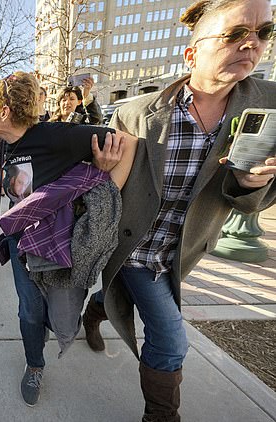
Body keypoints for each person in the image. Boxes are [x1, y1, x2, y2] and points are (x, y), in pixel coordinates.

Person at [80, 1, 276, 420]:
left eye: (263, 33)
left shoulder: (267, 106)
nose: (252, 43)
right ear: (192, 53)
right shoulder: (134, 113)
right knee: (170, 341)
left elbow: (258, 197)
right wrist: (102, 172)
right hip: (133, 248)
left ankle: (97, 309)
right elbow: (106, 189)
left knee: (122, 297)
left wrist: (250, 184)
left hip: (181, 253)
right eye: (234, 33)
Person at [0, 71, 137, 407]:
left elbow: (128, 144)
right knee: (29, 312)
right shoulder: (9, 144)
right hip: (20, 244)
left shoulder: (54, 136)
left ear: (4, 112)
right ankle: (35, 364)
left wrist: (106, 192)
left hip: (55, 248)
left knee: (58, 315)